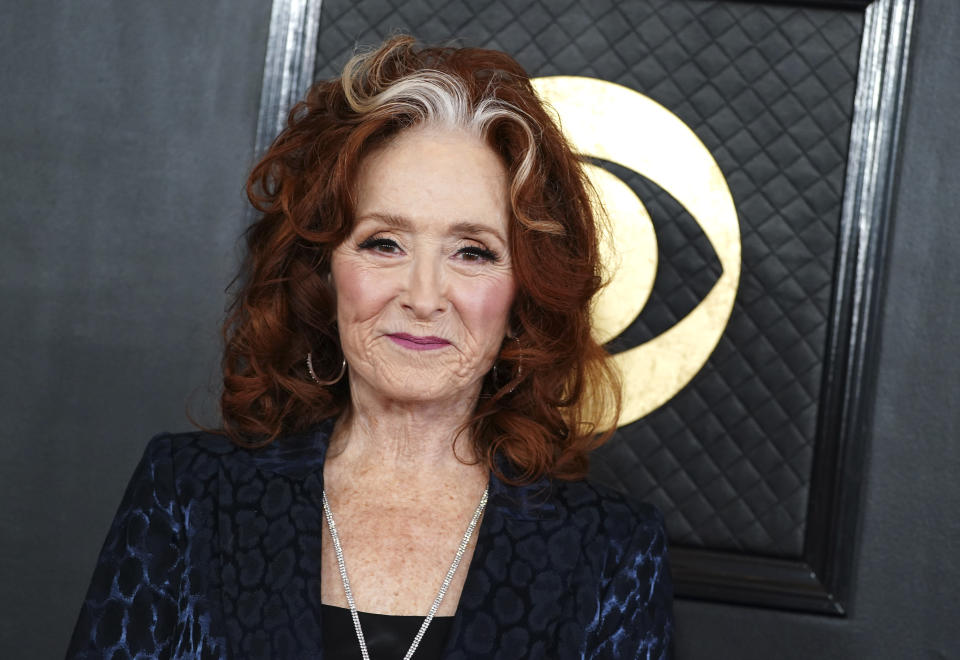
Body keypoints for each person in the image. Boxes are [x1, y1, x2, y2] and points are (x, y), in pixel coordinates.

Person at [66, 35, 673, 659]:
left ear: (525, 294)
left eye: (473, 251)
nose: (424, 295)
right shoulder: (187, 494)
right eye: (385, 242)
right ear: (324, 268)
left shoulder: (611, 550)